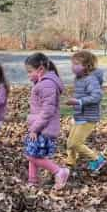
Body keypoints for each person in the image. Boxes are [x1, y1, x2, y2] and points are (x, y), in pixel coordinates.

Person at [24, 53, 69, 190]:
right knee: (32, 153)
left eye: (30, 71)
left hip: (43, 128)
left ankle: (59, 171)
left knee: (32, 156)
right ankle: (33, 181)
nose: (28, 75)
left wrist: (35, 129)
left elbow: (47, 111)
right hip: (40, 127)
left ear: (41, 69)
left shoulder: (47, 84)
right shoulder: (43, 83)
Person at [66, 51, 107, 172]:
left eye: (76, 64)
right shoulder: (79, 78)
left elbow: (97, 96)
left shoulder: (90, 80)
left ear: (87, 66)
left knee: (75, 143)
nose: (73, 66)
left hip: (88, 117)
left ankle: (97, 159)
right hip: (79, 115)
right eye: (72, 64)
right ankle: (70, 162)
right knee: (70, 142)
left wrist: (79, 102)